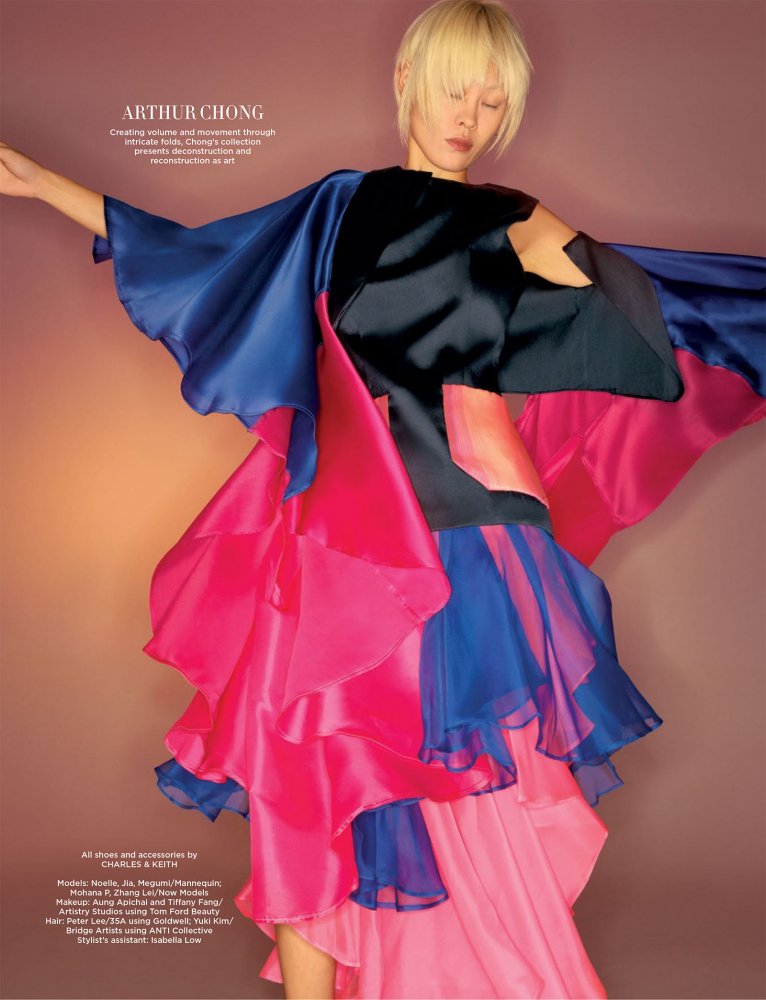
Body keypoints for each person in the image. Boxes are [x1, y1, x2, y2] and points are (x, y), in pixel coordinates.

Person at [1, 1, 763, 997]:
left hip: (470, 522)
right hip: (341, 522)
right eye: (454, 89)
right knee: (305, 759)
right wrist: (43, 185)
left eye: (492, 101)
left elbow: (649, 313)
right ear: (407, 80)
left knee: (453, 780)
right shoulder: (337, 209)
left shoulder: (513, 219)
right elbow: (208, 263)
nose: (470, 117)